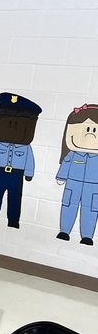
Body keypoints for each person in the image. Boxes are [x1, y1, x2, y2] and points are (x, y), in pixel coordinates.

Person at [0, 93, 42, 229]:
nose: (12, 127)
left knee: (15, 197)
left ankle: (13, 221)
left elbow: (29, 160)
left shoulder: (26, 148)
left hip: (17, 174)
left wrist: (28, 173)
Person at [55, 104, 98, 245]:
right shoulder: (72, 154)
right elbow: (65, 165)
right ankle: (64, 231)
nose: (90, 133)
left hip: (93, 188)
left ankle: (87, 236)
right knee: (68, 205)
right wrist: (61, 177)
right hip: (73, 184)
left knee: (90, 210)